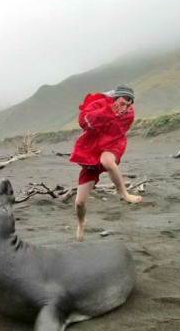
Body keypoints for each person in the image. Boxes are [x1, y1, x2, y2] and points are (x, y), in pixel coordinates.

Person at [69, 84, 142, 241]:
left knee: (107, 160)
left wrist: (115, 115)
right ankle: (82, 223)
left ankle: (124, 193)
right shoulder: (100, 104)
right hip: (91, 153)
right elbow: (84, 122)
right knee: (80, 202)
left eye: (128, 105)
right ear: (114, 99)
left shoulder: (129, 114)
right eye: (122, 103)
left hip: (113, 145)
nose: (124, 108)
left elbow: (115, 133)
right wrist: (108, 112)